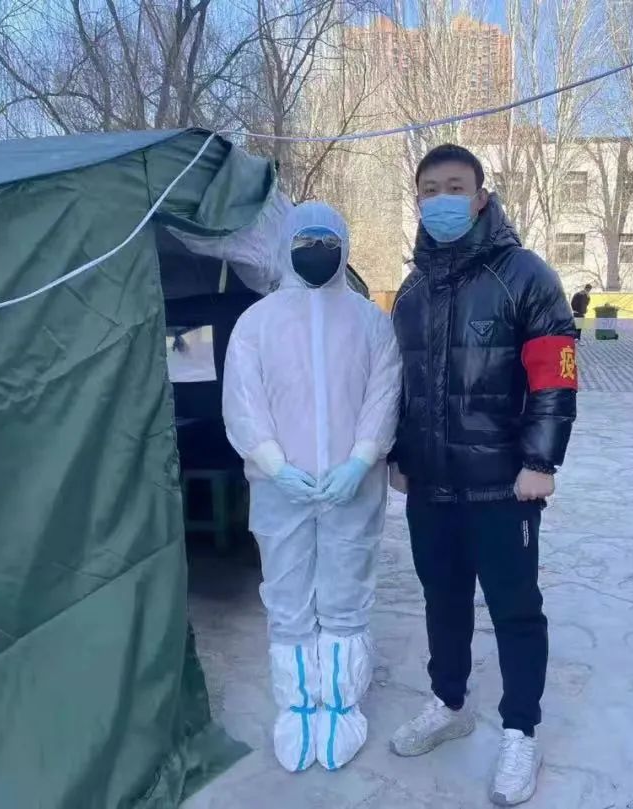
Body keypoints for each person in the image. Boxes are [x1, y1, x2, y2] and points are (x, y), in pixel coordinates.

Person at [389, 144, 577, 807]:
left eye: (454, 187)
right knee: (442, 601)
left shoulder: (525, 276)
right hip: (431, 487)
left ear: (480, 197)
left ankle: (520, 729)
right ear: (418, 201)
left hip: (504, 485)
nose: (441, 199)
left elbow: (555, 375)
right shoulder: (411, 292)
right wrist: (400, 456)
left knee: (514, 609)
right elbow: (401, 387)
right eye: (429, 189)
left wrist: (540, 461)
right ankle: (449, 703)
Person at [222, 201, 402, 773]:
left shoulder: (371, 322)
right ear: (285, 247)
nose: (317, 252)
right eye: (306, 242)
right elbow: (243, 401)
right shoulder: (256, 324)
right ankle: (298, 706)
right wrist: (274, 464)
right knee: (288, 595)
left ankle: (341, 705)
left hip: (354, 487)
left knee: (346, 593)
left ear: (344, 248)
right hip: (282, 489)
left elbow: (384, 394)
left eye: (328, 242)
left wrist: (361, 459)